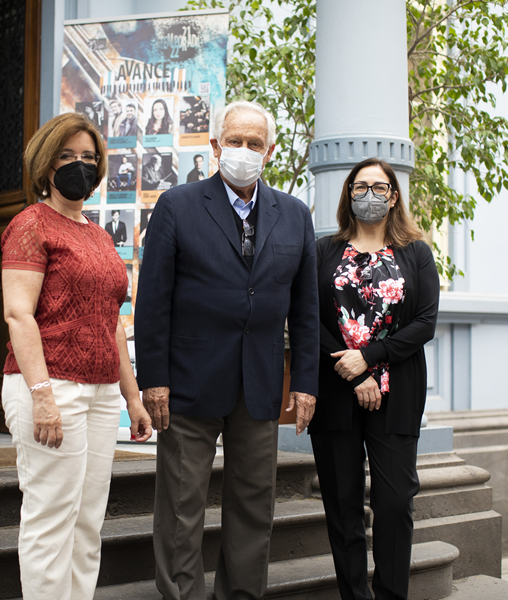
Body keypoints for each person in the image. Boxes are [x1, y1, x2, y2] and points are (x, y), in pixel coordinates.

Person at [135, 100, 319, 600]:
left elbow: (306, 311)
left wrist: (305, 382)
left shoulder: (296, 217)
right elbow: (152, 300)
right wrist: (152, 377)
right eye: (234, 141)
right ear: (216, 147)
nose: (243, 151)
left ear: (270, 151)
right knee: (180, 505)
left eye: (254, 144)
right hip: (188, 380)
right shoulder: (178, 205)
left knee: (254, 505)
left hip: (259, 384)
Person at [0, 112, 152, 600]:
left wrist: (133, 398)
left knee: (88, 521)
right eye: (67, 156)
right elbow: (19, 316)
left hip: (103, 391)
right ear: (47, 166)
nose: (79, 166)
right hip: (51, 386)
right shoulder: (29, 225)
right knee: (51, 515)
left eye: (88, 157)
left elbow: (109, 321)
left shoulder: (99, 234)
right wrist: (42, 396)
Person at [310, 157, 439, 600]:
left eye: (379, 187)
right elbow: (309, 318)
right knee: (343, 506)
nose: (369, 194)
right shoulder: (323, 251)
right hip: (336, 390)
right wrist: (350, 371)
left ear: (394, 196)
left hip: (397, 391)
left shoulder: (416, 253)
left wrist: (368, 358)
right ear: (348, 193)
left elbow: (424, 323)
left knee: (394, 503)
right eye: (360, 186)